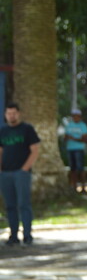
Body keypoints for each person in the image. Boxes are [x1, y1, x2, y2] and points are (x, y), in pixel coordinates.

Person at [0, 102, 41, 246]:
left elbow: (34, 150)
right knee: (10, 206)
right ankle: (13, 236)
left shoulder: (27, 129)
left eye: (14, 113)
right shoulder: (3, 130)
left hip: (21, 173)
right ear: (5, 115)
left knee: (24, 204)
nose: (11, 115)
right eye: (9, 113)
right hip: (5, 173)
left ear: (19, 113)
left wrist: (24, 169)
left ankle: (27, 235)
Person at [64, 109, 87, 193]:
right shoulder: (69, 125)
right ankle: (74, 187)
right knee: (72, 170)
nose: (75, 117)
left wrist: (73, 138)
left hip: (79, 149)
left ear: (80, 117)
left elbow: (85, 139)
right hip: (70, 149)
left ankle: (83, 188)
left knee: (81, 169)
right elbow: (65, 137)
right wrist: (67, 138)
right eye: (74, 116)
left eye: (77, 116)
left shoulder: (83, 126)